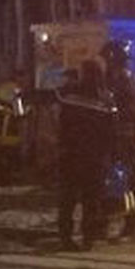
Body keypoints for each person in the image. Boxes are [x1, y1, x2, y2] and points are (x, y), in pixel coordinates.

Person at [55, 62, 116, 250]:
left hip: (71, 155)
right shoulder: (106, 98)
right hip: (94, 157)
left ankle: (66, 237)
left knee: (68, 199)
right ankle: (88, 237)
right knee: (91, 199)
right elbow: (111, 130)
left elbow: (62, 124)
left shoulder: (70, 96)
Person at [101, 39, 135, 240]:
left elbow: (110, 110)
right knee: (129, 181)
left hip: (116, 138)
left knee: (115, 181)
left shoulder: (116, 81)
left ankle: (113, 223)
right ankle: (130, 222)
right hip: (128, 137)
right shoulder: (132, 79)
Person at [0, 72, 31, 185]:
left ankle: (2, 178)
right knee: (10, 154)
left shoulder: (2, 88)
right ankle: (9, 179)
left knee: (2, 153)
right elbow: (19, 112)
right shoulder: (16, 90)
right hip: (9, 127)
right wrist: (29, 110)